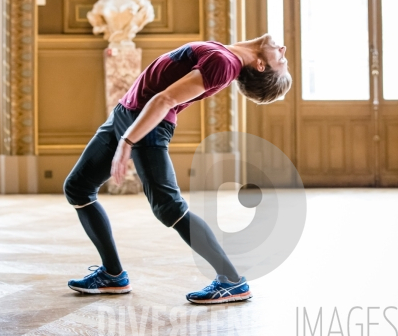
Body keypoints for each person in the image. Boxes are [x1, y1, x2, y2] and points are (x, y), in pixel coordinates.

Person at [64, 34, 292, 303]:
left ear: (262, 66)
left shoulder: (224, 62)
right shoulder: (224, 52)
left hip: (146, 126)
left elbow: (165, 100)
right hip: (126, 113)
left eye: (282, 60)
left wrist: (128, 140)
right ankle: (112, 276)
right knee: (78, 188)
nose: (283, 50)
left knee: (169, 207)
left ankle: (231, 281)